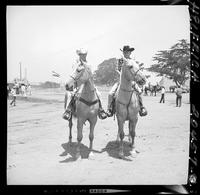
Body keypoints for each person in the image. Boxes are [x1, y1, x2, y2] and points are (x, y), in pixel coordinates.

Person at [62, 48, 107, 120]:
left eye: (84, 54)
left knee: (98, 94)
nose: (83, 56)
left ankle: (101, 110)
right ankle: (68, 110)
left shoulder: (89, 64)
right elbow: (74, 74)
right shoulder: (76, 64)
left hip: (89, 83)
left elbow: (91, 75)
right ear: (79, 55)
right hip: (78, 83)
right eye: (81, 54)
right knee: (71, 94)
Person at [106, 45, 147, 117]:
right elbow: (117, 69)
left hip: (132, 81)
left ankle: (141, 107)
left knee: (139, 92)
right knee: (110, 94)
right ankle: (109, 109)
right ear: (124, 52)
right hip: (120, 81)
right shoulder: (120, 60)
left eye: (129, 52)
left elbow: (135, 70)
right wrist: (121, 74)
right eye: (127, 52)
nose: (129, 53)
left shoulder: (132, 61)